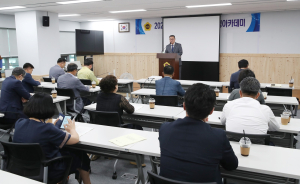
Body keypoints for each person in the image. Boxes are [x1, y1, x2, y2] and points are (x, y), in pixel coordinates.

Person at [159, 83, 238, 184]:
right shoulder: (218, 136)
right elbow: (231, 165)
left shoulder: (165, 129)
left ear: (184, 106)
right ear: (212, 111)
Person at [13, 93, 91, 184]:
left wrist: (51, 127)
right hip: (47, 170)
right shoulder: (48, 129)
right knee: (81, 155)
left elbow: (36, 133)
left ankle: (63, 180)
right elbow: (75, 139)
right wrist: (72, 129)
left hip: (21, 168)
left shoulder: (19, 123)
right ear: (49, 108)